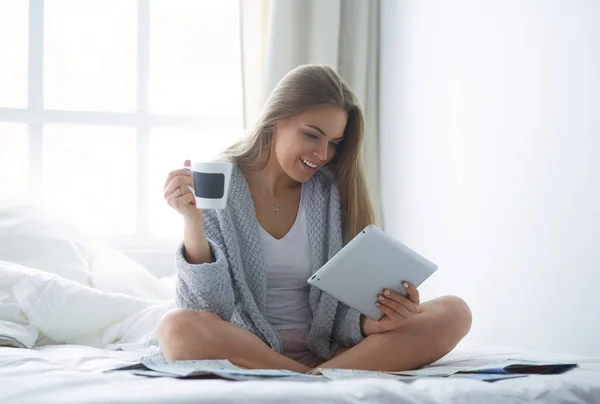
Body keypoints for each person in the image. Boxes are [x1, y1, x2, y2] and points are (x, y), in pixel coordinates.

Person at [158, 64, 472, 373]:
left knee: (454, 312)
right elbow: (208, 309)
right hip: (247, 348)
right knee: (176, 327)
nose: (323, 154)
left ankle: (314, 376)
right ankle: (313, 379)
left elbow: (340, 312)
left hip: (329, 351)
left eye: (334, 142)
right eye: (312, 135)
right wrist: (193, 222)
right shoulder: (219, 182)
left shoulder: (331, 194)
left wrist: (373, 322)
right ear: (276, 120)